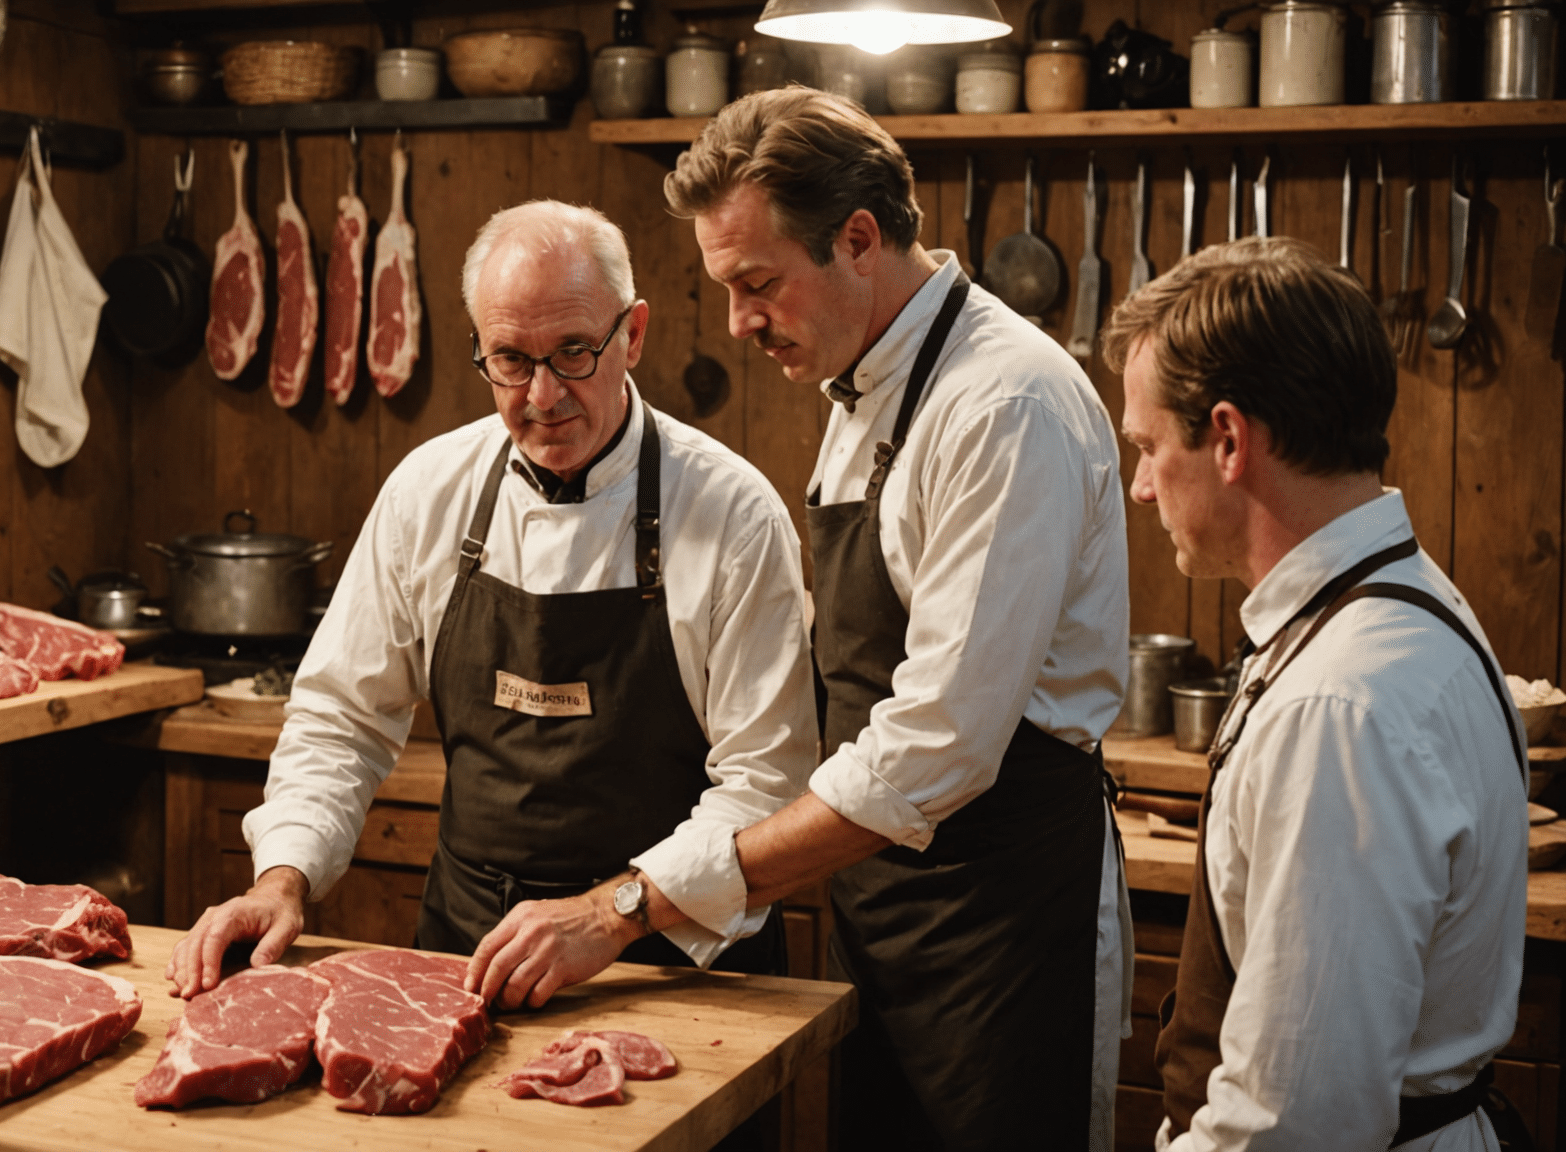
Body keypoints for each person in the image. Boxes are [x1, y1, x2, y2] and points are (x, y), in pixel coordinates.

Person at [469, 88, 1132, 1150]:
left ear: (859, 239)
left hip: (1007, 933)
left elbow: (934, 755)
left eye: (756, 282)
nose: (737, 322)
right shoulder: (867, 388)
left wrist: (626, 907)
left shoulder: (1002, 405)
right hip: (888, 919)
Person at [165, 200, 819, 1001]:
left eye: (574, 352)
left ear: (634, 335)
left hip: (672, 962)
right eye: (510, 359)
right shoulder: (428, 491)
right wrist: (283, 876)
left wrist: (609, 913)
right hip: (468, 956)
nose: (543, 395)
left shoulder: (733, 514)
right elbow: (343, 715)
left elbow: (767, 786)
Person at [1110, 238, 1529, 1149]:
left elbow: (1295, 1119)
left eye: (1147, 446)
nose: (1140, 488)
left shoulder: (1340, 709)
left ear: (1227, 439)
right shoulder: (1399, 600)